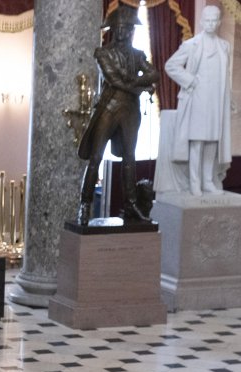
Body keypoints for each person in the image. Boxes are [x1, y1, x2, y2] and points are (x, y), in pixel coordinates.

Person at [77, 5, 157, 225]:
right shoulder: (103, 53)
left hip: (130, 110)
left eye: (125, 27)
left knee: (129, 158)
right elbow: (114, 81)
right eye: (117, 27)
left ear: (131, 29)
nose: (121, 31)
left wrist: (136, 80)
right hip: (109, 108)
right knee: (96, 158)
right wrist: (141, 87)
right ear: (112, 29)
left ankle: (131, 206)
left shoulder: (138, 54)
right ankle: (85, 205)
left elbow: (154, 74)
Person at [162, 5, 232, 196]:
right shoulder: (191, 44)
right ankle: (194, 183)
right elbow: (171, 65)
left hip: (216, 100)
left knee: (212, 141)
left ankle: (208, 181)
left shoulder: (224, 46)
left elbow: (226, 76)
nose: (210, 24)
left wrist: (229, 99)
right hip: (197, 99)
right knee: (197, 141)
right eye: (207, 20)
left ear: (218, 23)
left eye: (213, 21)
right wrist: (190, 80)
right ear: (201, 22)